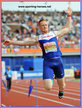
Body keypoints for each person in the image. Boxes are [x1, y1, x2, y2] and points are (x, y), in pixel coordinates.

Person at [3, 7, 72, 98]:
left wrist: (69, 15)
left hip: (58, 61)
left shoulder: (54, 33)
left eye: (46, 25)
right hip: (48, 63)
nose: (45, 26)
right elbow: (25, 43)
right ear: (39, 27)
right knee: (48, 87)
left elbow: (67, 28)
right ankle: (53, 74)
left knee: (62, 86)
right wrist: (12, 42)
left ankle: (60, 90)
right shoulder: (38, 38)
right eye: (42, 25)